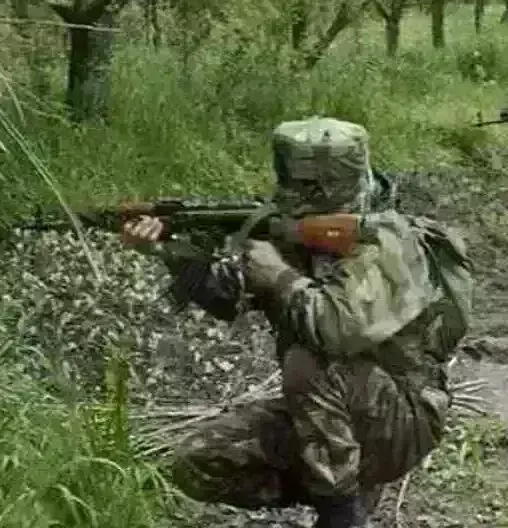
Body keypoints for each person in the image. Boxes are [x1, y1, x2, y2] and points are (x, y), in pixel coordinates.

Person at [121, 117, 474, 527]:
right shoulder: (297, 230)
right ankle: (345, 485)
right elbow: (227, 296)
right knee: (198, 460)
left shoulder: (389, 242)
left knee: (310, 362)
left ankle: (341, 515)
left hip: (402, 423)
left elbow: (335, 330)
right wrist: (170, 249)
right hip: (334, 420)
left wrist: (279, 276)